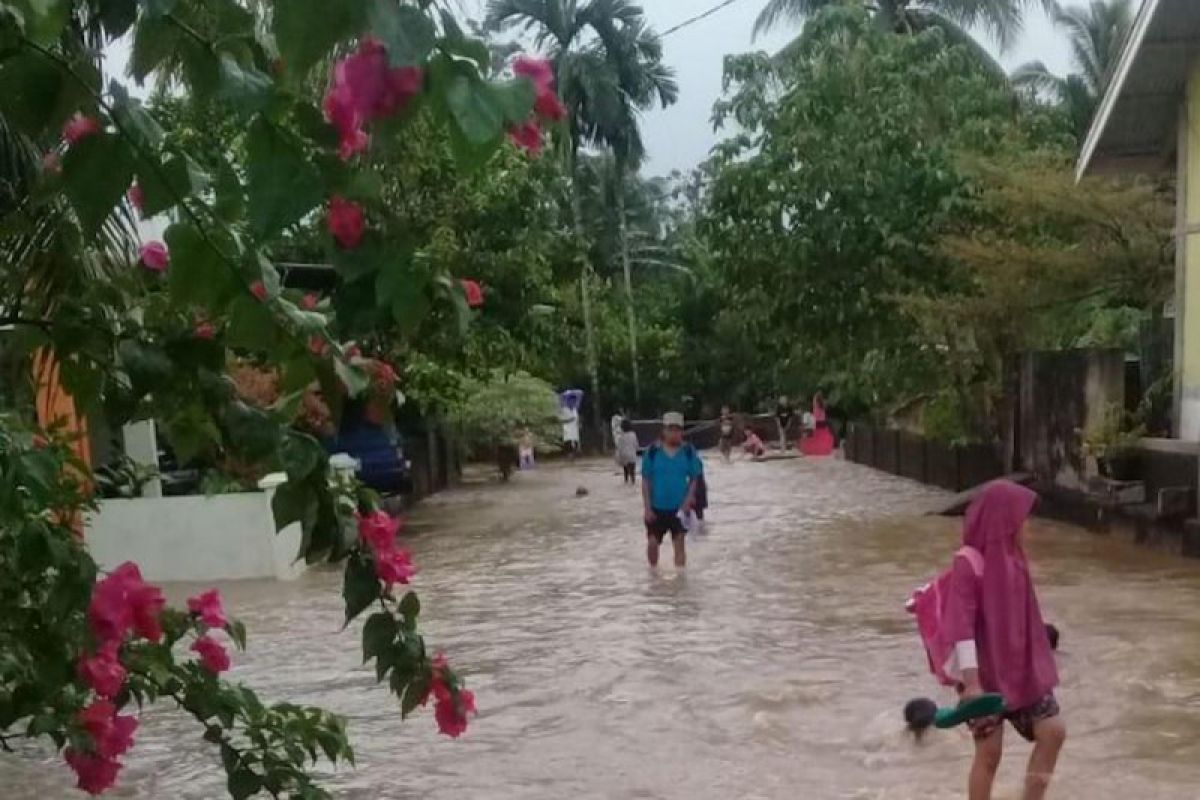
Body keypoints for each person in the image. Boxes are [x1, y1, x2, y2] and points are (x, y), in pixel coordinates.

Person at [944, 481, 1065, 800]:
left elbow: (1026, 621)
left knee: (1053, 732)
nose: (1027, 527)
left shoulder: (1016, 560)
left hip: (1023, 675)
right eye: (1021, 519)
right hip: (982, 679)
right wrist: (971, 684)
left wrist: (1040, 664)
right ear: (1003, 520)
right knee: (989, 754)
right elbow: (962, 626)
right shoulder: (968, 562)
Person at [641, 412, 703, 568]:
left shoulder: (688, 451)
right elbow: (646, 480)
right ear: (664, 430)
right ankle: (653, 576)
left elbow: (694, 478)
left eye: (678, 429)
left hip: (679, 509)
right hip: (656, 508)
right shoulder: (652, 452)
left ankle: (681, 583)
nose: (675, 433)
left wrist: (688, 500)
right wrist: (647, 508)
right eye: (671, 429)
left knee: (680, 544)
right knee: (653, 543)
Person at [616, 418, 640, 485]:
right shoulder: (633, 434)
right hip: (632, 455)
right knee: (632, 473)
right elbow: (636, 445)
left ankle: (626, 480)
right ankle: (633, 481)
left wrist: (619, 458)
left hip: (624, 456)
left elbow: (619, 448)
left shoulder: (621, 436)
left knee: (625, 471)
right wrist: (637, 451)